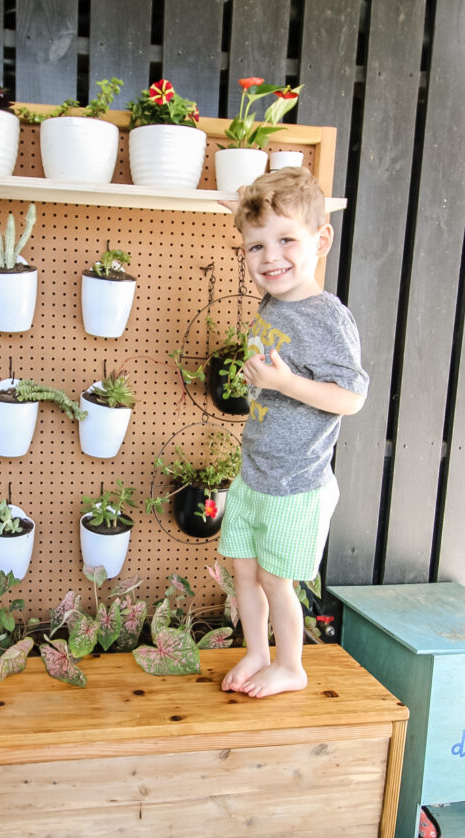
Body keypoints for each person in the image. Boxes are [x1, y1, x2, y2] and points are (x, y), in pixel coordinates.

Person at [217, 166, 369, 698]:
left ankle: (291, 667)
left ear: (320, 239)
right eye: (255, 246)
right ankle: (258, 653)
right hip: (256, 472)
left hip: (296, 482)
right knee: (243, 569)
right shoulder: (274, 303)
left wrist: (284, 384)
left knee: (277, 579)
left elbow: (350, 397)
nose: (270, 258)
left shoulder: (326, 315)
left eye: (286, 240)